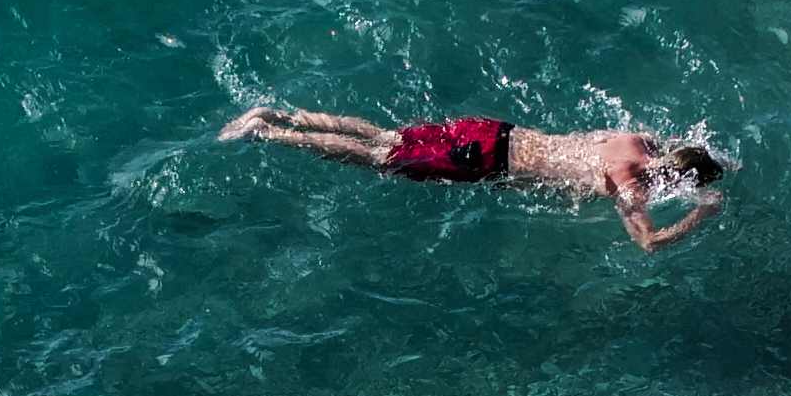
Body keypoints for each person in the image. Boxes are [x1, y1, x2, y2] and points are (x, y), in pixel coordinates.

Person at [222, 105, 733, 250]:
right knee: (380, 160)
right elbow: (647, 242)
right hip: (484, 162)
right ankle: (269, 134)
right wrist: (700, 213)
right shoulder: (631, 181)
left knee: (386, 136)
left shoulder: (637, 140)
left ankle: (278, 113)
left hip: (493, 131)